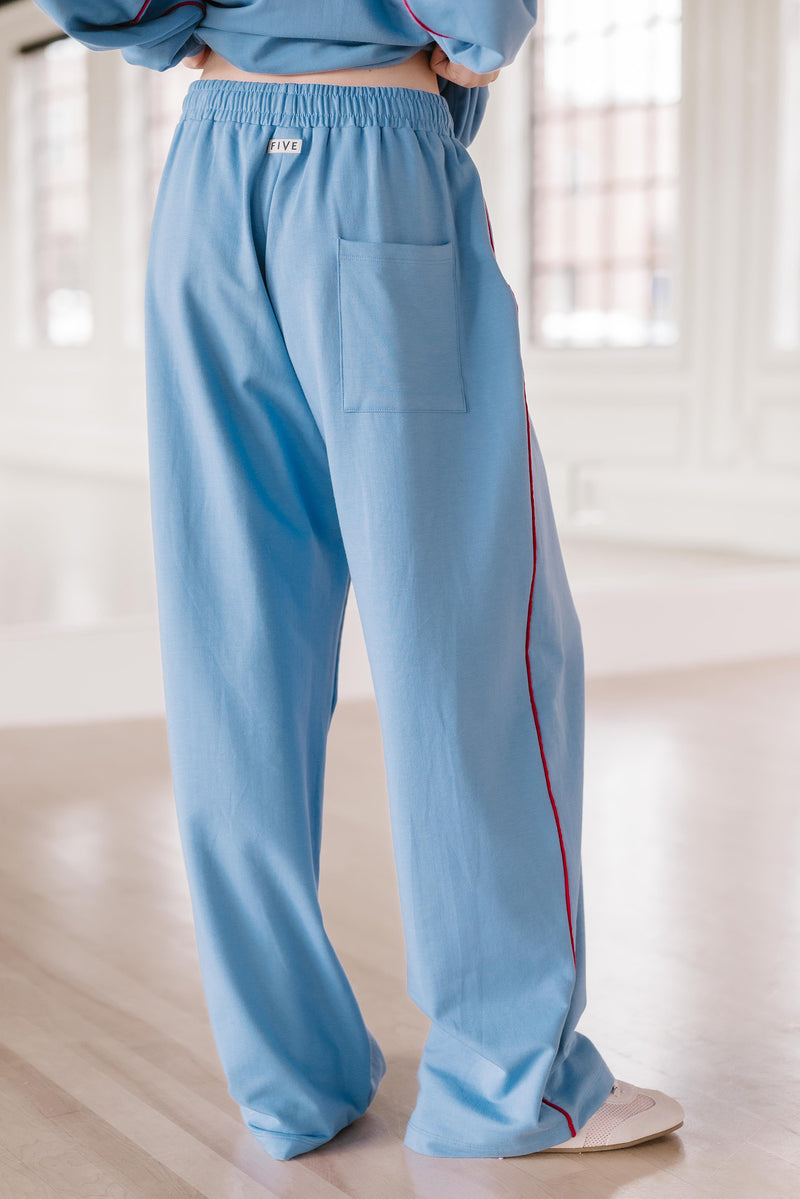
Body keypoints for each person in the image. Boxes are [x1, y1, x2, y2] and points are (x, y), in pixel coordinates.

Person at [32, 1, 685, 1163]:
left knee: (235, 644)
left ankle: (286, 1076)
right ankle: (505, 1083)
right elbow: (475, 18)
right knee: (467, 634)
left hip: (209, 171)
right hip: (371, 167)